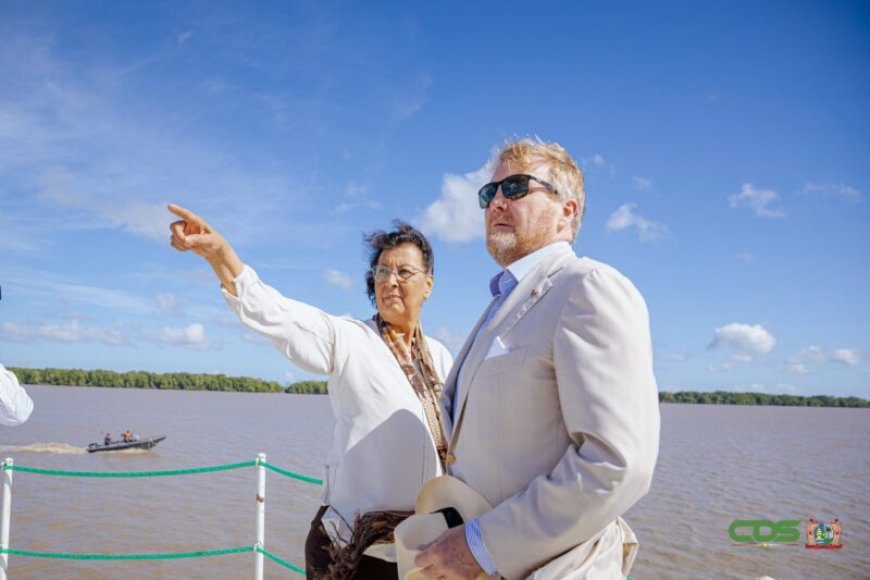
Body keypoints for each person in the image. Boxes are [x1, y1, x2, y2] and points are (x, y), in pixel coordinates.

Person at [415, 138, 661, 579]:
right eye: (489, 194)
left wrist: (482, 545)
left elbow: (618, 463)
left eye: (516, 188)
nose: (496, 203)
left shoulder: (586, 288)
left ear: (568, 210)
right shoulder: (500, 305)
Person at [168, 204, 453, 579]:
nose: (390, 281)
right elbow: (278, 315)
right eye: (382, 271)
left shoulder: (442, 358)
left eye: (403, 271)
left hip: (420, 552)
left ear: (428, 284)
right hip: (353, 553)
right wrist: (221, 255)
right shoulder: (350, 338)